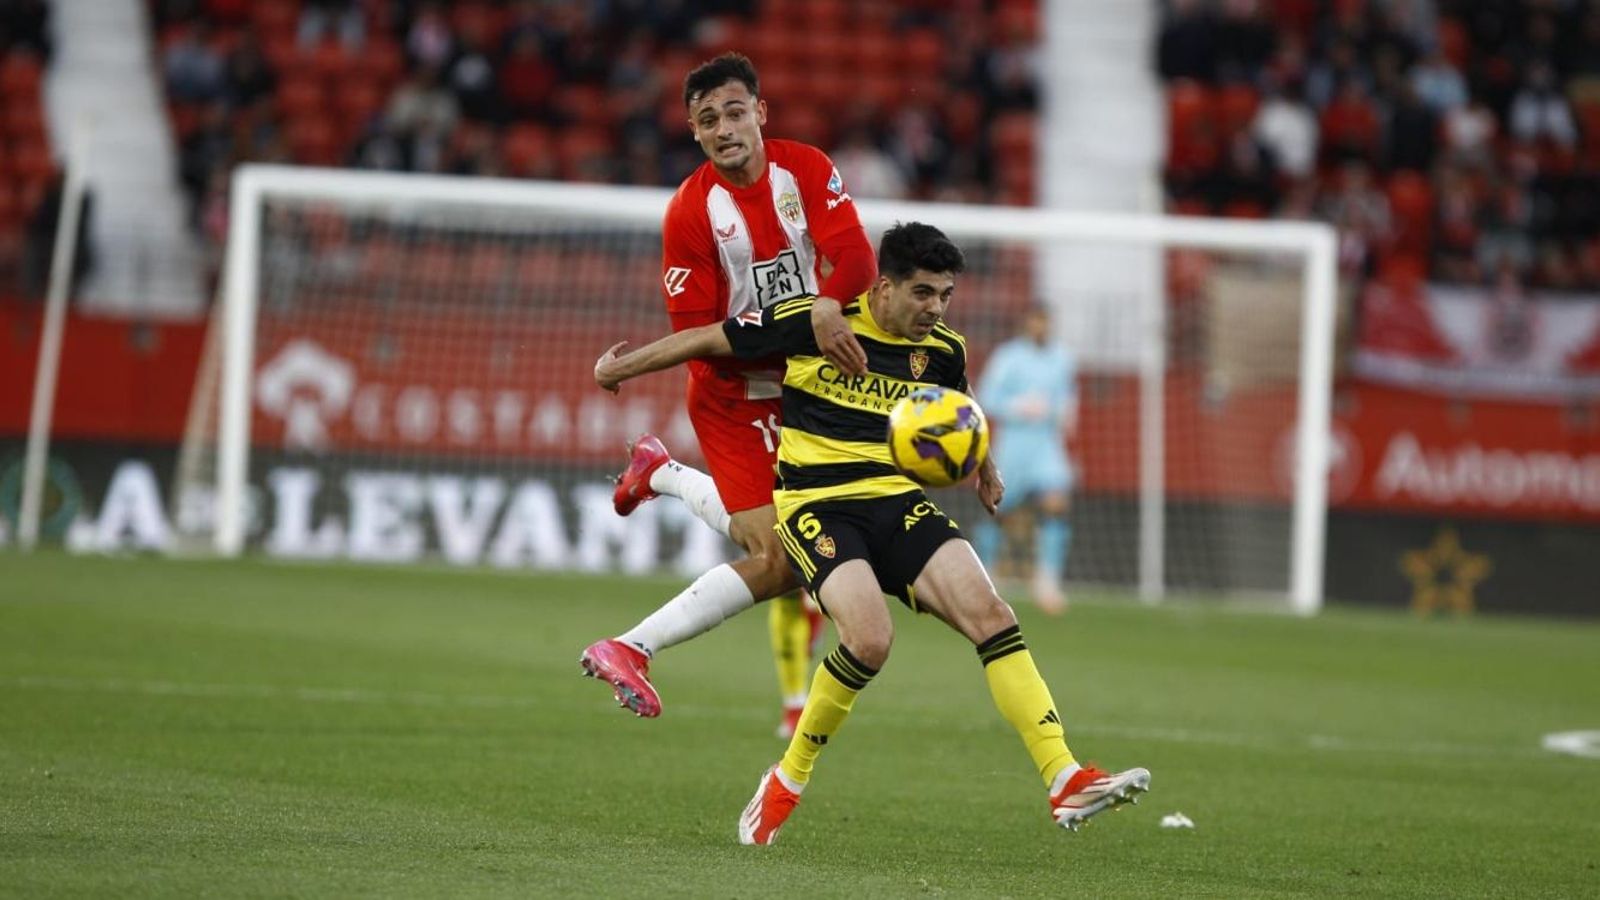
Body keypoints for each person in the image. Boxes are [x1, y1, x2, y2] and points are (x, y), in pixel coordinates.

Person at [593, 222, 1150, 845]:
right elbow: (708, 339)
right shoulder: (817, 322)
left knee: (994, 615)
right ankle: (786, 781)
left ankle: (1064, 777)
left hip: (896, 501)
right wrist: (620, 368)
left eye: (944, 295)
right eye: (922, 293)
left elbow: (959, 406)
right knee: (870, 640)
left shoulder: (943, 348)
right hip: (819, 506)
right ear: (883, 286)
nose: (934, 308)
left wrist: (985, 470)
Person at [579, 53, 878, 739]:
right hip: (734, 398)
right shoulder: (690, 212)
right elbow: (705, 340)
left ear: (761, 113)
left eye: (735, 111)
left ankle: (662, 475)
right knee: (787, 557)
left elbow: (857, 258)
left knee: (804, 551)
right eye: (707, 119)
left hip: (809, 381)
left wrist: (827, 308)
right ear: (693, 131)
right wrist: (803, 322)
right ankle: (631, 646)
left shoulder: (804, 169)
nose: (724, 128)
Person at [973, 304, 1078, 614]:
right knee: (998, 511)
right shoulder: (1008, 357)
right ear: (1026, 323)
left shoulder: (1062, 358)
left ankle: (1048, 581)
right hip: (1014, 445)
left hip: (1046, 445)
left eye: (1045, 323)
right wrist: (1019, 406)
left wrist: (1064, 413)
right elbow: (986, 396)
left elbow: (1069, 398)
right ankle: (986, 577)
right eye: (1035, 322)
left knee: (1056, 504)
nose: (1040, 328)